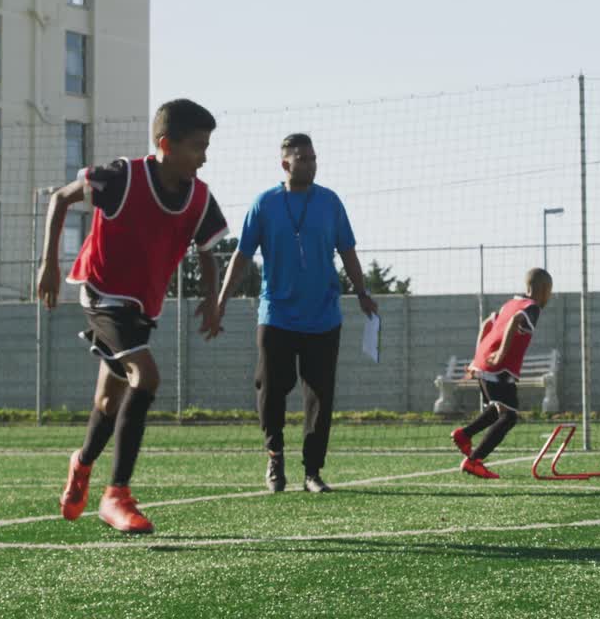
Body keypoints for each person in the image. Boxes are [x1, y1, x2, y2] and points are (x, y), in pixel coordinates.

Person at [39, 98, 228, 534]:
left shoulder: (199, 197)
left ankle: (82, 464)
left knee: (109, 400)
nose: (204, 155)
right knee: (146, 376)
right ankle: (116, 494)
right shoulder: (122, 177)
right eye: (197, 146)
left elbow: (208, 249)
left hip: (142, 309)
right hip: (102, 294)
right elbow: (61, 198)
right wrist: (49, 264)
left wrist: (212, 298)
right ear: (165, 145)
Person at [217, 132, 378, 494]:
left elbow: (348, 251)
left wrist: (363, 292)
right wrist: (222, 298)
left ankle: (313, 471)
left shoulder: (330, 202)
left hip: (323, 316)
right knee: (271, 387)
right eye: (302, 158)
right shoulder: (265, 203)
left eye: (313, 157)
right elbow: (241, 256)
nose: (310, 163)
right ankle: (275, 455)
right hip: (277, 314)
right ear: (285, 163)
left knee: (320, 394)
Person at [451, 268, 553, 478]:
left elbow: (487, 322)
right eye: (550, 291)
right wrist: (499, 355)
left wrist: (477, 357)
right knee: (508, 418)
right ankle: (474, 461)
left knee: (498, 410)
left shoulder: (510, 303)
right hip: (499, 369)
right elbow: (516, 321)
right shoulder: (532, 307)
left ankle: (464, 435)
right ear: (543, 289)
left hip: (483, 365)